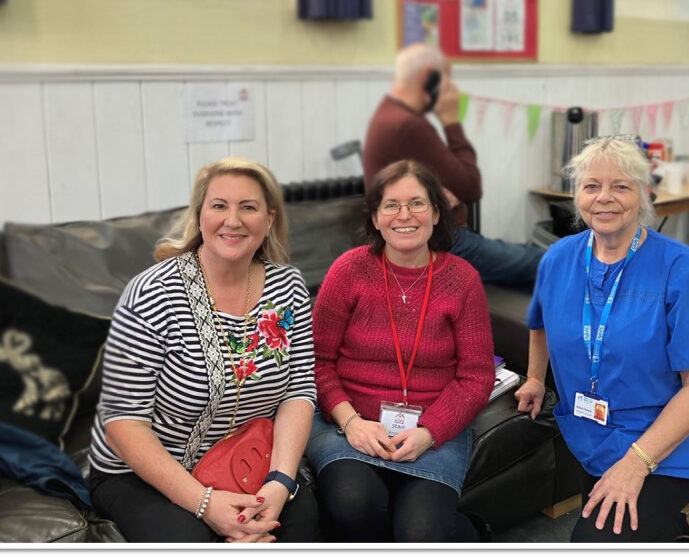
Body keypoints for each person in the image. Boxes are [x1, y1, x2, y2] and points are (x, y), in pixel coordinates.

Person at [515, 137, 689, 543]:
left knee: (593, 544)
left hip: (668, 439)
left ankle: (685, 509)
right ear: (576, 195)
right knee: (615, 527)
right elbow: (539, 323)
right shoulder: (558, 259)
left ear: (647, 193)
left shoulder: (682, 270)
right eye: (591, 186)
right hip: (593, 430)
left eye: (622, 186)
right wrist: (536, 379)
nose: (604, 198)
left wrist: (636, 463)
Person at [88, 157, 318, 543]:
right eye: (219, 205)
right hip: (145, 472)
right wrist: (205, 503)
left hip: (248, 459)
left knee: (301, 525)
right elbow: (123, 421)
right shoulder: (151, 294)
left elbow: (299, 390)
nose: (233, 220)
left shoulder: (289, 288)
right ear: (199, 216)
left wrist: (280, 482)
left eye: (248, 207)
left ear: (270, 219)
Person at [305, 160, 495, 542]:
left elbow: (476, 376)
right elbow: (316, 362)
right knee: (351, 504)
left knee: (421, 533)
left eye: (417, 203)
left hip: (432, 427)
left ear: (436, 213)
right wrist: (351, 423)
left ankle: (470, 532)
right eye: (391, 205)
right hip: (348, 425)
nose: (404, 215)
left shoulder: (462, 279)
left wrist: (430, 432)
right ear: (375, 217)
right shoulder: (348, 271)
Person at [363, 43, 544, 288]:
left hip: (426, 239)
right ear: (430, 78)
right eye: (446, 80)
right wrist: (451, 120)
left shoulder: (388, 114)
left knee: (530, 264)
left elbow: (448, 184)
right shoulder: (408, 126)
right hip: (446, 242)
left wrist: (434, 192)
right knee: (548, 260)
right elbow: (470, 187)